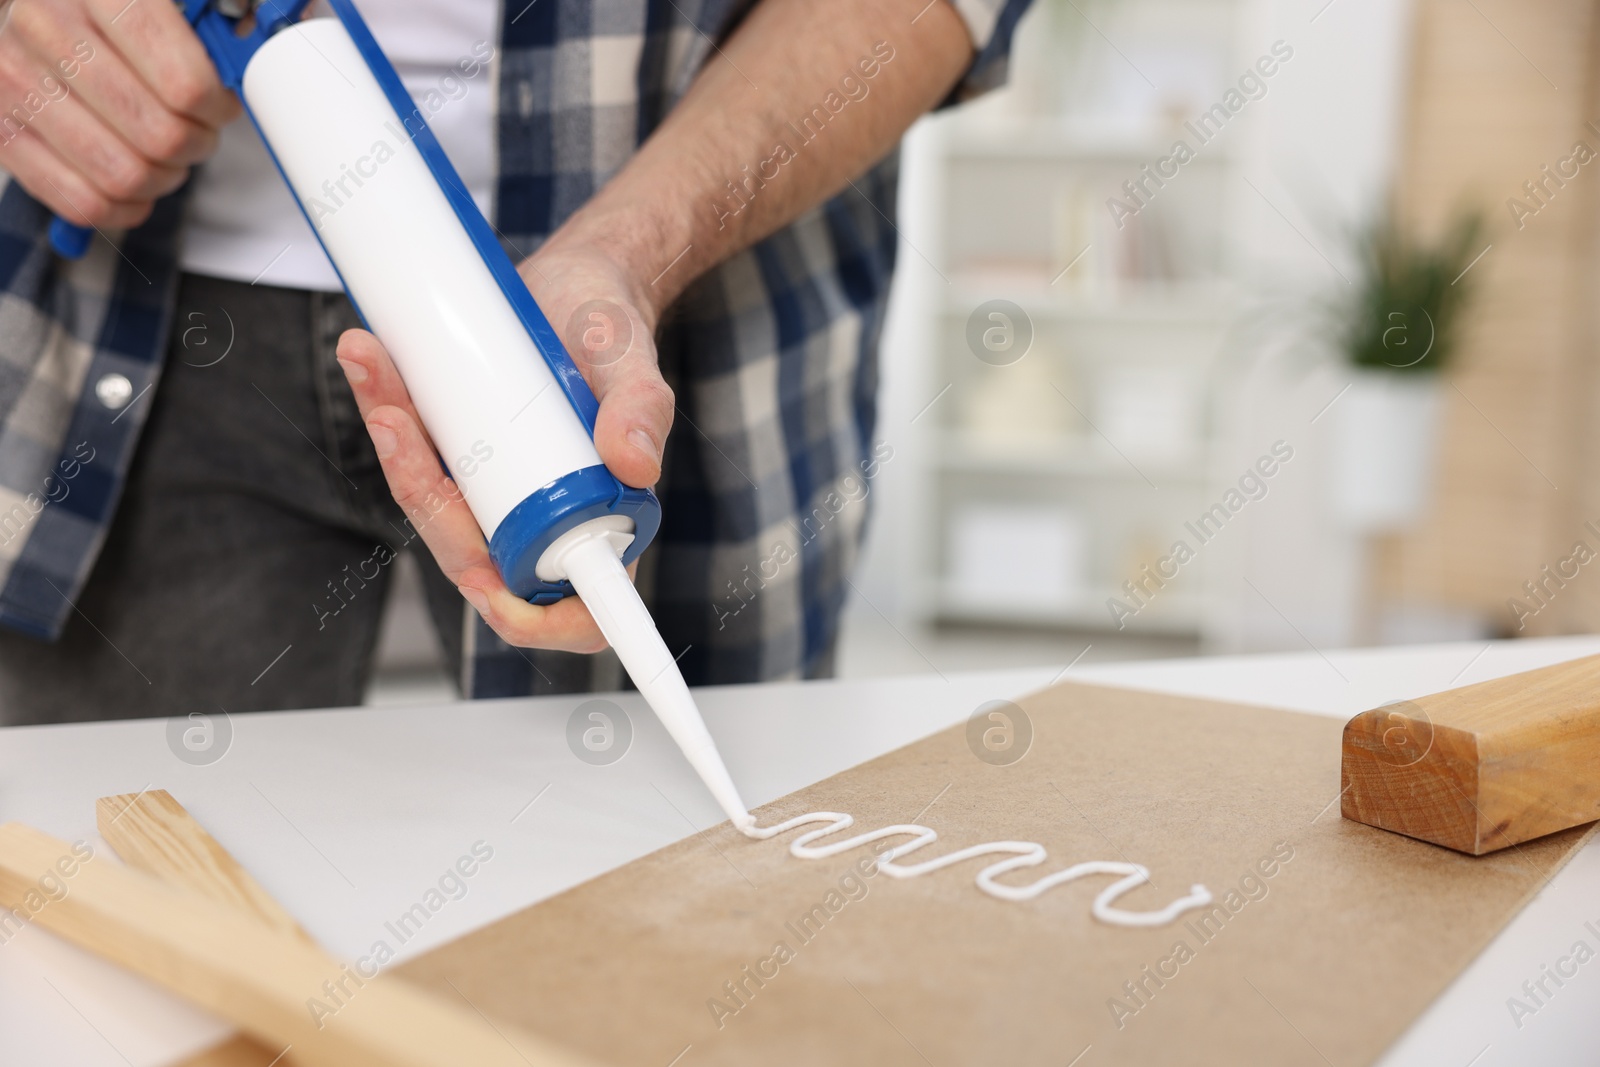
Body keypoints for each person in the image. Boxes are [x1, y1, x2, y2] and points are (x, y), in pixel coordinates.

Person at [0, 0, 1028, 726]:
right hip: (142, 334)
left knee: (671, 942)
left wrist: (634, 245)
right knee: (143, 932)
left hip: (686, 320)